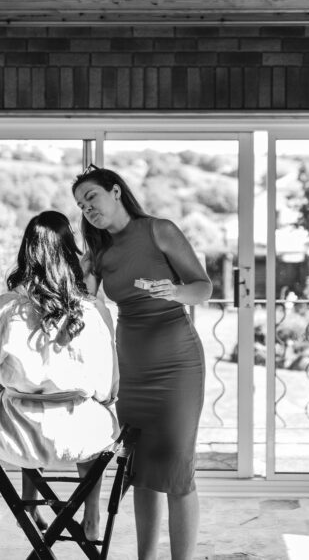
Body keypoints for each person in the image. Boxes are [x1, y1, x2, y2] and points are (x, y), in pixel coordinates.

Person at [72, 165, 212, 560]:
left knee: (177, 469)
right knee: (141, 471)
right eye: (82, 205)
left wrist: (174, 291)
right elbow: (85, 299)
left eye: (92, 197)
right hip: (131, 367)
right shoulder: (99, 252)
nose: (88, 209)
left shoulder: (159, 230)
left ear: (116, 191)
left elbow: (203, 288)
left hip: (177, 365)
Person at [0, 210, 119, 540]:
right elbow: (107, 385)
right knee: (93, 416)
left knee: (20, 404)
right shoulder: (90, 309)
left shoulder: (5, 306)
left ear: (27, 252)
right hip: (78, 436)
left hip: (17, 434)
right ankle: (92, 514)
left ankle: (28, 503)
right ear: (70, 252)